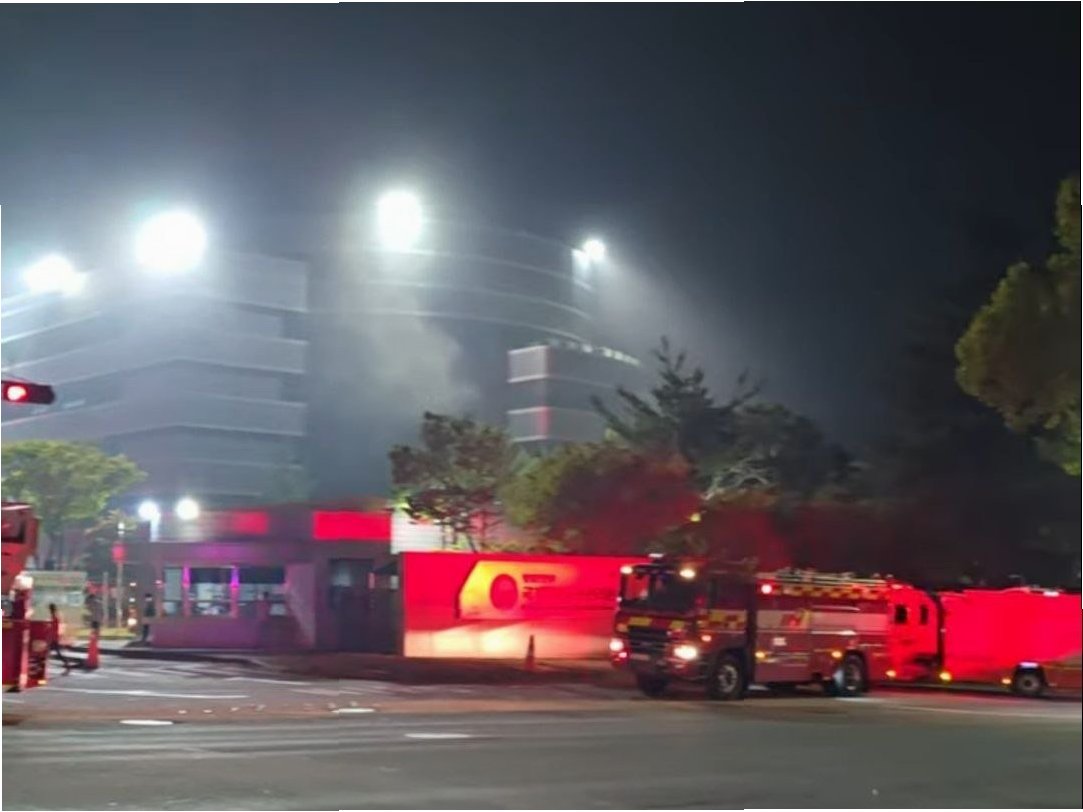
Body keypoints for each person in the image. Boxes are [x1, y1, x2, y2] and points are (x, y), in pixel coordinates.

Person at [48, 602, 73, 673]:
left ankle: (68, 666)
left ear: (51, 609)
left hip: (54, 637)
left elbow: (54, 626)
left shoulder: (54, 616)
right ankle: (67, 666)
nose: (49, 610)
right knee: (56, 653)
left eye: (50, 609)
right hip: (54, 637)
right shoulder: (55, 615)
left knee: (57, 654)